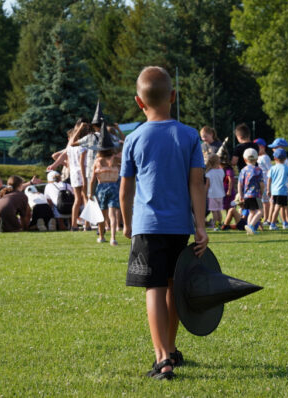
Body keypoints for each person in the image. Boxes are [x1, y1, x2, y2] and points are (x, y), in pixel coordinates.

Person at [120, 66, 207, 380]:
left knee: (154, 290)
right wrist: (200, 226)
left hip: (147, 227)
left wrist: (127, 223)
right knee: (174, 288)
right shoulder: (189, 135)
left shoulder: (132, 139)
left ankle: (162, 361)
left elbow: (126, 188)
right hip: (180, 227)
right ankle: (169, 349)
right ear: (173, 96)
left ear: (139, 102)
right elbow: (197, 184)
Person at [90, 144, 121, 246]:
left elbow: (92, 180)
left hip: (102, 187)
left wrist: (90, 193)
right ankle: (113, 238)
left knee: (102, 214)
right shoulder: (116, 161)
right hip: (114, 187)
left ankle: (101, 237)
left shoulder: (98, 162)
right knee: (112, 214)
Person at [237, 148, 264, 235]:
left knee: (251, 212)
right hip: (256, 195)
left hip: (246, 196)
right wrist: (262, 192)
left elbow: (239, 184)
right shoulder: (258, 170)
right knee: (260, 211)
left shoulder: (243, 170)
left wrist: (241, 195)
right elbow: (261, 184)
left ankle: (249, 230)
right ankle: (251, 226)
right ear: (256, 159)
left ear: (245, 159)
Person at [267, 148, 288, 230]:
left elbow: (269, 179)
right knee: (278, 207)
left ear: (274, 158)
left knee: (283, 206)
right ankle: (272, 224)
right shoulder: (287, 168)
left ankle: (285, 223)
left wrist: (268, 190)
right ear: (285, 159)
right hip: (282, 191)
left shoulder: (272, 168)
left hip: (274, 191)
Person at [205, 154, 225, 231]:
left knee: (214, 211)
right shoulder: (221, 171)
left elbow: (207, 185)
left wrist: (205, 193)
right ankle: (219, 225)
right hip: (220, 193)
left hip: (212, 194)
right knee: (219, 210)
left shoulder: (209, 173)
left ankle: (216, 226)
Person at [253, 138, 272, 225]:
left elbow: (269, 171)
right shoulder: (258, 157)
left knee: (265, 202)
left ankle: (266, 219)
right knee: (260, 201)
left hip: (264, 183)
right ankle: (261, 217)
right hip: (259, 183)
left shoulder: (265, 157)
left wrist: (269, 184)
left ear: (262, 147)